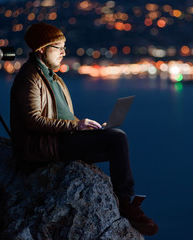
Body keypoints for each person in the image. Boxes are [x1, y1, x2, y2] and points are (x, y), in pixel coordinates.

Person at [10, 22, 158, 236]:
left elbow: (64, 117)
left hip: (59, 139)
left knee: (112, 143)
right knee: (117, 139)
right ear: (41, 49)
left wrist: (84, 128)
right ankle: (126, 203)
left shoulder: (53, 78)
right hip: (43, 147)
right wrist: (75, 126)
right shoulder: (30, 78)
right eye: (58, 47)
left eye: (64, 47)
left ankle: (123, 200)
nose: (63, 52)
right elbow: (33, 120)